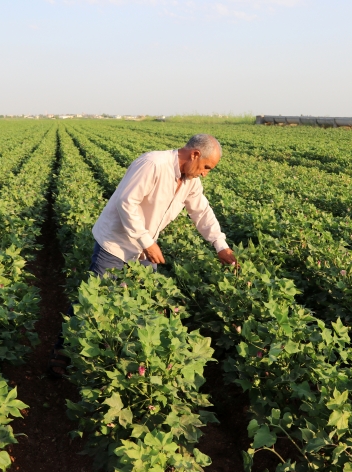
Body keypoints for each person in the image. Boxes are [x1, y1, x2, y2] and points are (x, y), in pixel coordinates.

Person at [49, 133, 237, 376]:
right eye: (206, 167)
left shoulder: (190, 181)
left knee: (144, 304)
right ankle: (61, 355)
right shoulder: (153, 164)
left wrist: (220, 244)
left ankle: (121, 361)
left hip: (144, 250)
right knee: (92, 304)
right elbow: (127, 203)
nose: (205, 173)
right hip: (115, 245)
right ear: (195, 155)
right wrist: (147, 242)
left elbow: (201, 212)